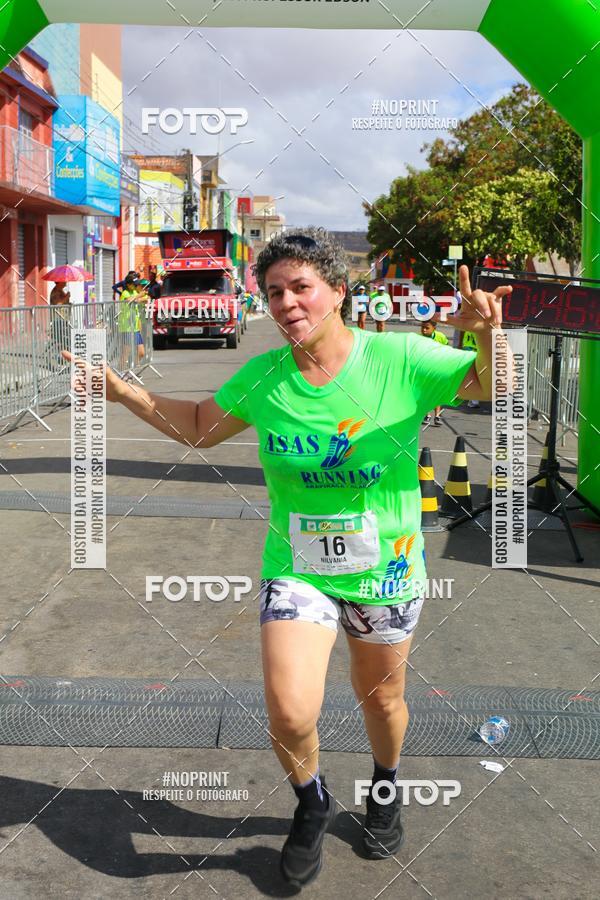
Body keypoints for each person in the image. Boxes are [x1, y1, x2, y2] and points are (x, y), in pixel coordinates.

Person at [64, 229, 510, 889]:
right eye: (275, 292)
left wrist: (486, 335)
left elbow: (493, 388)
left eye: (301, 287)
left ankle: (385, 788)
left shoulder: (399, 358)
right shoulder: (266, 378)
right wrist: (122, 392)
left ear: (337, 292)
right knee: (289, 710)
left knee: (381, 699)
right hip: (298, 568)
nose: (287, 302)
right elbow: (198, 428)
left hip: (386, 567)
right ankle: (312, 801)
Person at [420, 320, 449, 426]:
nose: (424, 330)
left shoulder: (441, 337)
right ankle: (427, 414)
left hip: (438, 368)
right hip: (425, 369)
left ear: (434, 328)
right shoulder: (419, 338)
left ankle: (437, 415)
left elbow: (447, 350)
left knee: (437, 392)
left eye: (427, 328)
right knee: (426, 392)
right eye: (422, 327)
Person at [47, 281, 71, 369]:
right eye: (64, 281)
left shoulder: (60, 291)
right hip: (58, 319)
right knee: (60, 341)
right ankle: (58, 360)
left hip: (63, 318)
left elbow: (64, 302)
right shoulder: (55, 292)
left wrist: (67, 299)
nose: (65, 283)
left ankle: (64, 359)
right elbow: (58, 304)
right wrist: (66, 297)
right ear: (59, 282)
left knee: (65, 341)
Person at [461, 330, 480, 407]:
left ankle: (472, 398)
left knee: (469, 374)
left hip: (469, 347)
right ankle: (473, 399)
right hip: (474, 348)